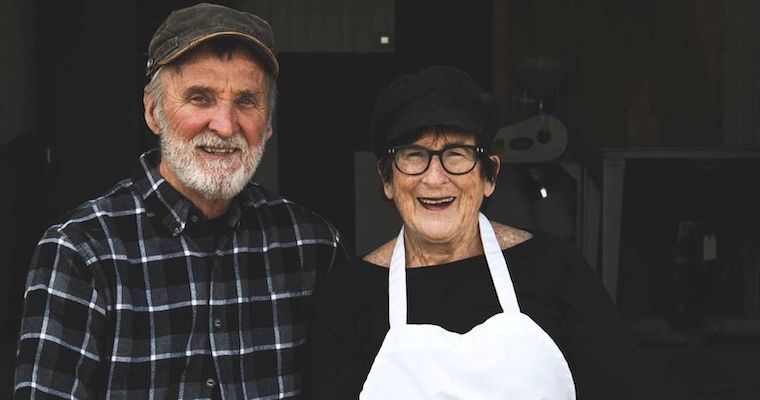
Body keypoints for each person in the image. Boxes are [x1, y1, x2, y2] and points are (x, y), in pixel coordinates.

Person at [14, 3, 348, 399]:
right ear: (153, 111)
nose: (225, 126)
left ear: (269, 122)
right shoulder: (81, 251)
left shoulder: (314, 247)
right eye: (200, 98)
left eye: (245, 101)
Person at [305, 66, 647, 399]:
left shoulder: (555, 270)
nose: (435, 178)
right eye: (414, 155)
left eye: (457, 154)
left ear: (489, 176)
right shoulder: (347, 297)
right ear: (386, 180)